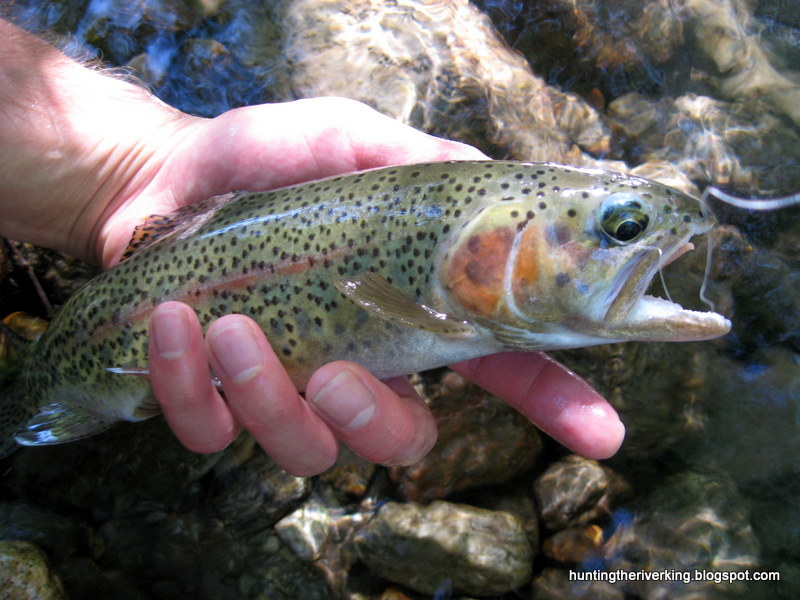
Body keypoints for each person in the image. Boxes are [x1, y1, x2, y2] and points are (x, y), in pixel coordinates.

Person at [0, 19, 624, 475]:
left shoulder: (466, 254)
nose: (625, 247)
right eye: (619, 231)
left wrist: (123, 174)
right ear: (491, 245)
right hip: (91, 340)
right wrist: (131, 176)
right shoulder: (460, 254)